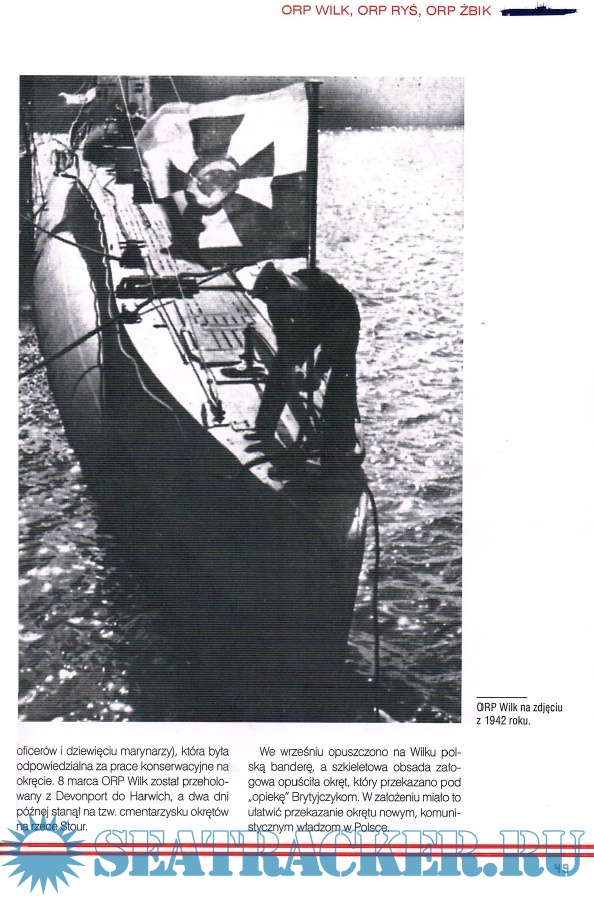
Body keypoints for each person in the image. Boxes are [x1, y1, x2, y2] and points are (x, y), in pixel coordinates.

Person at [251, 262, 364, 470]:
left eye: (278, 301)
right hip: (309, 321)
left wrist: (317, 372)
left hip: (341, 316)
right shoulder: (275, 298)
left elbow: (331, 343)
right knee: (280, 367)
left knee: (342, 372)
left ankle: (338, 438)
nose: (274, 305)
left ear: (289, 291)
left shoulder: (321, 297)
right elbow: (284, 339)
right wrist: (291, 368)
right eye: (271, 302)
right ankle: (264, 428)